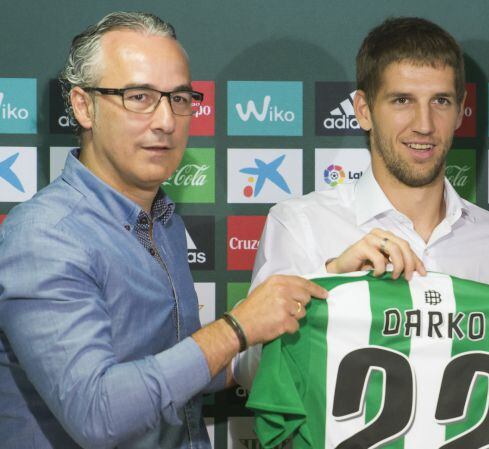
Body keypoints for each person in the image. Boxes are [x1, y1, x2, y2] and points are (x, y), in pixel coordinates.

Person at [0, 12, 325, 449]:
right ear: (83, 105)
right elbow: (99, 414)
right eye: (138, 96)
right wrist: (236, 327)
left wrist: (325, 290)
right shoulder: (46, 237)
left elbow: (173, 368)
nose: (166, 121)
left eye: (179, 98)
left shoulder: (160, 220)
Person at [234, 16, 489, 387]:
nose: (424, 124)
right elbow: (251, 373)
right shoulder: (300, 225)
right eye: (402, 100)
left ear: (460, 110)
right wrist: (331, 283)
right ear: (363, 110)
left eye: (440, 101)